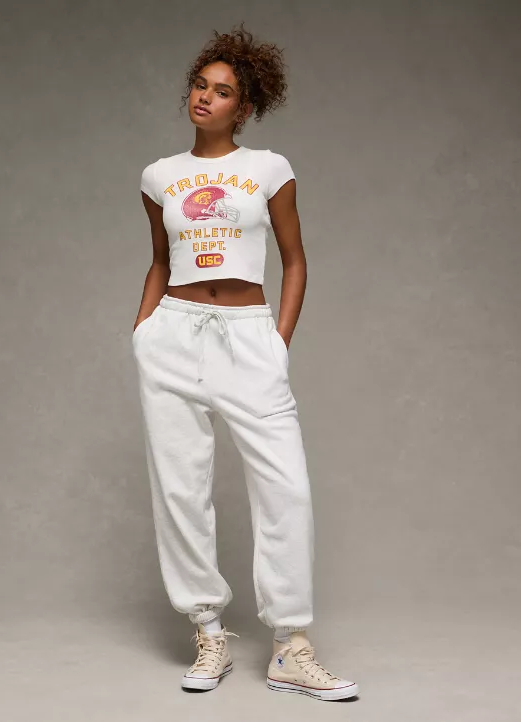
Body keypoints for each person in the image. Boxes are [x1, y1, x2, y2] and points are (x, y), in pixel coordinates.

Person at [132, 23, 359, 701]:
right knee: (180, 488)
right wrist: (142, 330)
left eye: (222, 91)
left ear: (245, 106)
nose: (205, 97)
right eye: (199, 85)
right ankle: (208, 631)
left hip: (247, 337)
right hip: (172, 337)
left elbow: (294, 260)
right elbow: (159, 261)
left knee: (286, 490)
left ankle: (291, 646)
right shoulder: (159, 177)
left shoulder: (268, 169)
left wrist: (277, 342)